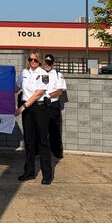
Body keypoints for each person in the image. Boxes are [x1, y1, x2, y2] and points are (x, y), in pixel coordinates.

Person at [15, 50, 54, 184]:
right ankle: (29, 172)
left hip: (39, 108)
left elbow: (38, 94)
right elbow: (17, 87)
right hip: (28, 110)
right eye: (30, 60)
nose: (32, 62)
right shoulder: (24, 73)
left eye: (35, 60)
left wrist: (22, 107)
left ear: (40, 61)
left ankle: (47, 174)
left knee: (43, 141)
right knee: (29, 141)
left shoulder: (44, 74)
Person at [44, 53, 67, 159]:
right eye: (45, 62)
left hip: (53, 105)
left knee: (54, 130)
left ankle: (56, 152)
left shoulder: (58, 74)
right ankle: (38, 151)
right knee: (39, 129)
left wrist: (48, 96)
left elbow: (59, 91)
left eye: (49, 63)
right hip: (40, 104)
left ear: (53, 63)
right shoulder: (38, 73)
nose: (47, 65)